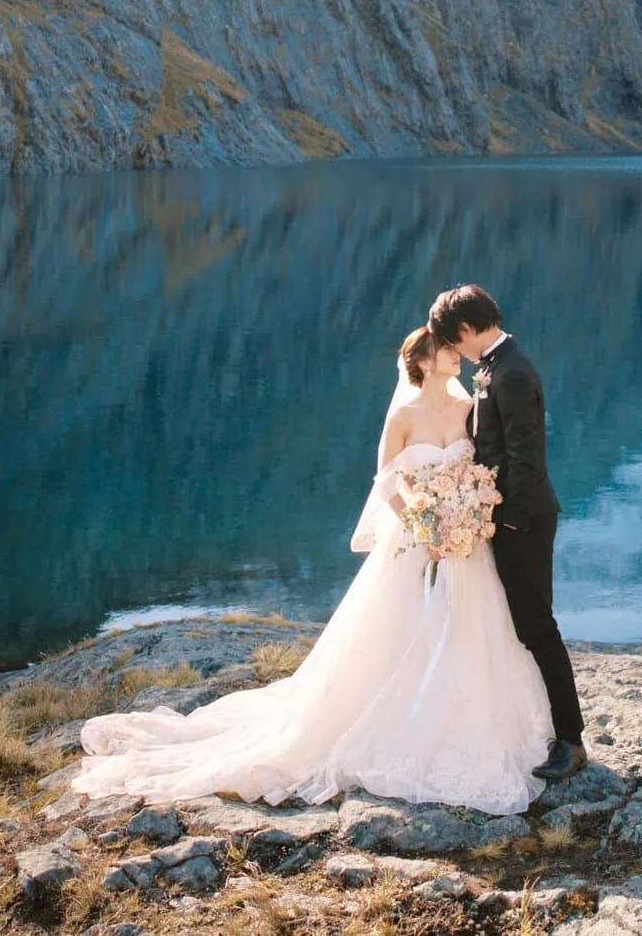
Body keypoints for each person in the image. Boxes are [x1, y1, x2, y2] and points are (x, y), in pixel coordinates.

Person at [69, 327, 552, 813]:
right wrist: (423, 526)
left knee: (473, 629)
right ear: (424, 362)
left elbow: (481, 467)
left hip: (466, 545)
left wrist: (467, 513)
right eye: (447, 349)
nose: (457, 354)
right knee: (397, 635)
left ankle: (470, 718)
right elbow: (387, 482)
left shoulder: (467, 407)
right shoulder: (403, 417)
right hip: (418, 542)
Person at [428, 284, 586, 780]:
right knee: (522, 625)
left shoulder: (511, 373)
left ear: (466, 329)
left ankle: (571, 741)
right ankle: (544, 729)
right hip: (510, 517)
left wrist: (508, 520)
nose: (454, 351)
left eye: (453, 341)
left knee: (537, 627)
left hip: (524, 520)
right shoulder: (498, 366)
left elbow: (526, 456)